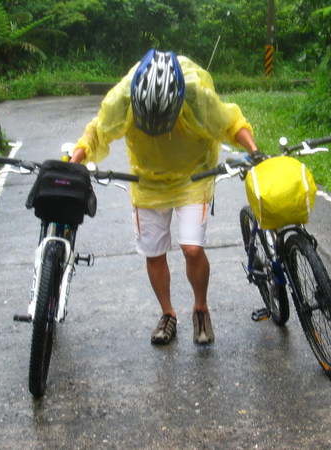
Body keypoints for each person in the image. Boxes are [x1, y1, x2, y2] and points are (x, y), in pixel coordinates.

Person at [71, 49, 261, 345]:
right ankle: (168, 314)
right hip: (147, 180)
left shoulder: (195, 93)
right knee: (154, 252)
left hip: (192, 177)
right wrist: (74, 161)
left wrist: (254, 150)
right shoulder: (124, 96)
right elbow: (98, 131)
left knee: (192, 249)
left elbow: (230, 122)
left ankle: (200, 307)